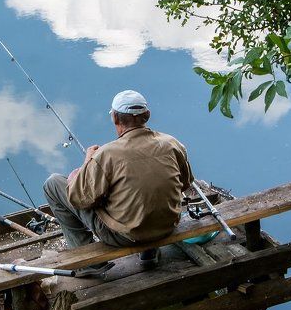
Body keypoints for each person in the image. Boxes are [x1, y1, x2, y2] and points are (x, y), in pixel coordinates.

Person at [43, 90, 194, 275]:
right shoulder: (172, 143)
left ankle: (90, 265)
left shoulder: (106, 154)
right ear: (147, 115)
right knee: (139, 193)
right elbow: (185, 184)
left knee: (53, 184)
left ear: (115, 118)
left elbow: (79, 198)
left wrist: (87, 164)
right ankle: (149, 254)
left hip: (125, 237)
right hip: (167, 227)